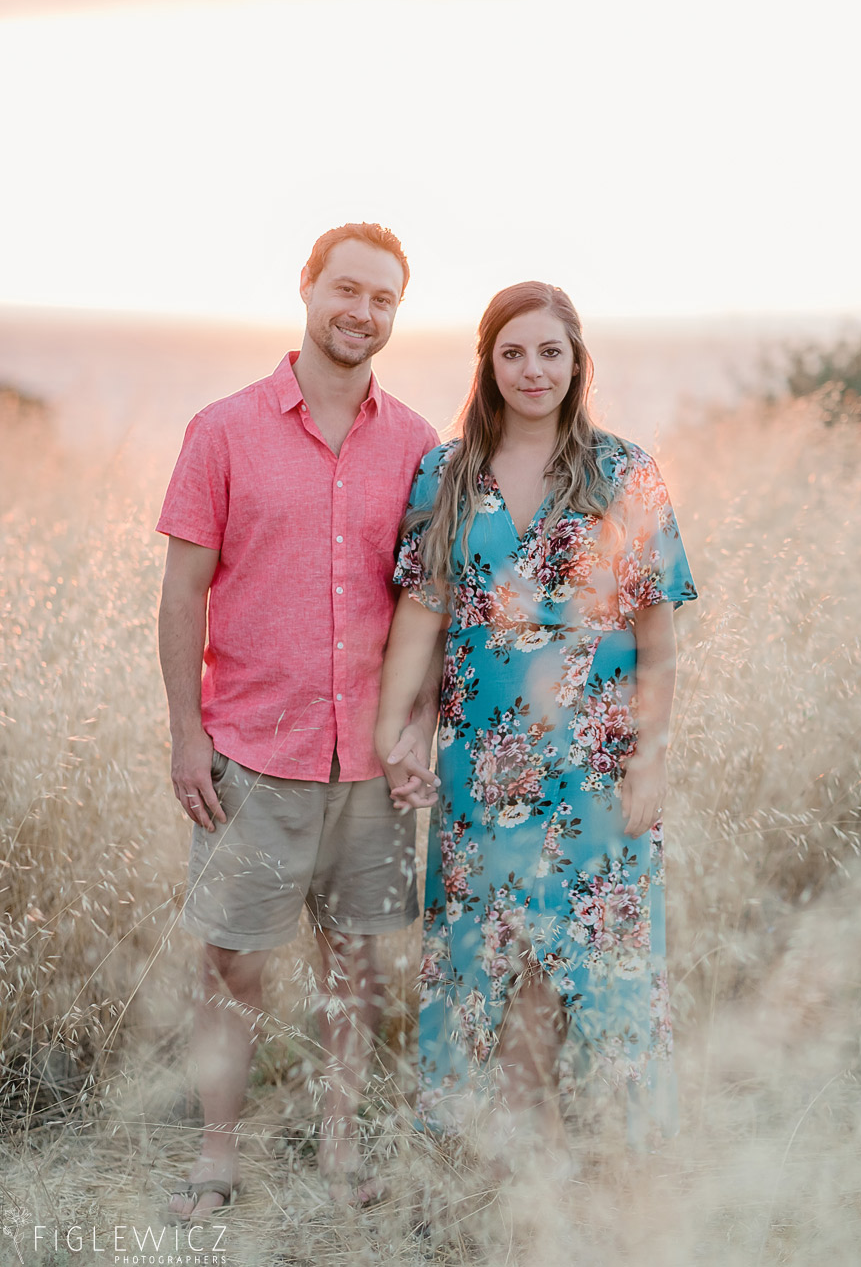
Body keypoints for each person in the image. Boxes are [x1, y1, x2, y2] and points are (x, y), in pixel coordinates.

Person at [375, 281, 697, 1164]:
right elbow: (422, 613)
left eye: (549, 351)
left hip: (597, 769)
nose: (532, 369)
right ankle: (461, 1164)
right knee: (473, 958)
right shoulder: (446, 473)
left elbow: (658, 637)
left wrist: (650, 763)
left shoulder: (623, 471)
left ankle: (637, 1163)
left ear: (576, 361)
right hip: (478, 770)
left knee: (610, 960)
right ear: (488, 363)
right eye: (513, 352)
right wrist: (393, 732)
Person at [157, 222, 440, 1218]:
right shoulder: (222, 430)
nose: (363, 313)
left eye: (384, 299)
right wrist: (189, 735)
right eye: (348, 290)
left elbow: (427, 602)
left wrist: (415, 728)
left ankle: (339, 1140)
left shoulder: (417, 445)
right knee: (233, 963)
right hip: (252, 750)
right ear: (308, 287)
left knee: (353, 962)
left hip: (365, 759)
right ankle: (217, 1154)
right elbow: (184, 593)